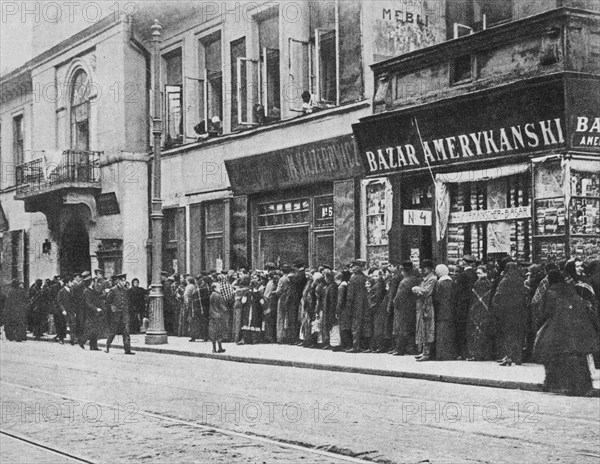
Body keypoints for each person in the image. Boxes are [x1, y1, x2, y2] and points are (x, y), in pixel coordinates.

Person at [533, 270, 599, 396]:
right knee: (579, 359)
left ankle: (556, 384)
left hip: (559, 328)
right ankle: (583, 386)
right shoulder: (571, 289)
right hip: (578, 329)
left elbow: (546, 312)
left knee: (552, 355)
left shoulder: (551, 292)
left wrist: (538, 324)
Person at [492, 262, 528, 366]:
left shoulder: (505, 281)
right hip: (519, 311)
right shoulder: (520, 280)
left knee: (508, 335)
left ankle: (508, 357)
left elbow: (498, 296)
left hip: (507, 312)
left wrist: (497, 307)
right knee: (518, 334)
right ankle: (518, 357)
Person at [391, 261, 420, 355]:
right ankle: (411, 348)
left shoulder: (404, 282)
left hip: (403, 309)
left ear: (404, 271)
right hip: (413, 307)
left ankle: (400, 349)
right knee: (411, 329)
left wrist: (394, 303)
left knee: (401, 329)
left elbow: (398, 297)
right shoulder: (416, 279)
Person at [466, 266, 494, 361]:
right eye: (477, 273)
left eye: (480, 273)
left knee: (476, 332)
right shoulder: (489, 283)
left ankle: (476, 354)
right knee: (483, 332)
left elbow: (475, 298)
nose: (478, 275)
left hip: (477, 311)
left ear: (485, 273)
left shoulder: (477, 284)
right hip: (485, 310)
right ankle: (484, 354)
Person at [413, 260, 437, 361]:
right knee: (422, 329)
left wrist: (417, 289)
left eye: (425, 267)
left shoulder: (432, 279)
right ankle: (423, 351)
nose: (423, 269)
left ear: (430, 268)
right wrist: (419, 290)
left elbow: (426, 291)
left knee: (427, 329)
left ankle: (427, 353)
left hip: (427, 306)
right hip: (423, 306)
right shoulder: (425, 279)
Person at [453, 255, 477, 359]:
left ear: (464, 262)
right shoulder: (475, 274)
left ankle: (462, 353)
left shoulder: (462, 275)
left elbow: (457, 291)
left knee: (461, 329)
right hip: (473, 304)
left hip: (462, 305)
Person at [104, 273, 135, 355]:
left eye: (124, 281)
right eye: (122, 281)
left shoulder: (126, 291)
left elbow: (128, 302)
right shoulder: (113, 290)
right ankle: (107, 346)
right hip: (116, 315)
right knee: (113, 332)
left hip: (124, 314)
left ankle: (127, 349)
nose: (123, 282)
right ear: (118, 281)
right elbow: (107, 302)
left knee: (126, 332)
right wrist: (112, 307)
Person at [433, 264, 457, 360]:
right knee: (450, 332)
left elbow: (437, 298)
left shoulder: (440, 283)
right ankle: (450, 353)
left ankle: (442, 354)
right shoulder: (451, 282)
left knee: (442, 332)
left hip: (441, 311)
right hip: (451, 310)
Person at [346, 259, 369, 353]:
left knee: (355, 326)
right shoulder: (365, 277)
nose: (351, 268)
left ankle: (356, 346)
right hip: (364, 304)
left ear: (357, 267)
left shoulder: (353, 279)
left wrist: (348, 306)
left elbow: (350, 295)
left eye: (353, 266)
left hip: (356, 304)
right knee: (364, 325)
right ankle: (364, 346)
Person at [81, 275, 103, 350]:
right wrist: (96, 309)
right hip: (89, 313)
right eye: (93, 281)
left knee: (94, 329)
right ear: (91, 282)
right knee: (91, 329)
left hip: (93, 313)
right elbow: (88, 303)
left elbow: (97, 295)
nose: (94, 282)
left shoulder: (91, 290)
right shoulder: (86, 291)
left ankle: (93, 346)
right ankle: (82, 340)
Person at [368, 269, 388, 353]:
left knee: (378, 328)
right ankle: (378, 346)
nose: (374, 277)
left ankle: (380, 346)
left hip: (378, 308)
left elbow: (376, 297)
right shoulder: (379, 284)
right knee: (378, 327)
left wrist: (369, 296)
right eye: (373, 276)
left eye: (376, 276)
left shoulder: (378, 285)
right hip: (379, 307)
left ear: (380, 276)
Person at [209, 282, 229, 353]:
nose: (220, 288)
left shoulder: (212, 295)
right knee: (219, 332)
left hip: (212, 315)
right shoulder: (218, 295)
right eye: (218, 287)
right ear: (214, 288)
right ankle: (220, 347)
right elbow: (222, 306)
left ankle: (214, 348)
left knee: (213, 332)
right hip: (219, 315)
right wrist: (226, 310)